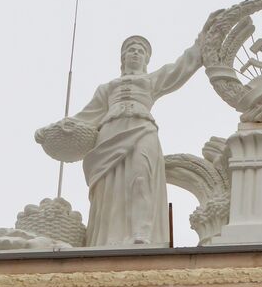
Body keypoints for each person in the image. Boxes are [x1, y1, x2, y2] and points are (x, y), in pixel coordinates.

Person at [36, 32, 202, 247]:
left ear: (146, 60)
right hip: (110, 133)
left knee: (142, 177)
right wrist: (52, 130)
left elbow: (180, 69)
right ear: (123, 58)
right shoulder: (107, 88)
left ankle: (141, 233)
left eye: (140, 51)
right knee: (110, 187)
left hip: (142, 129)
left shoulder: (150, 81)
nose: (135, 53)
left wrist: (200, 46)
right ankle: (107, 239)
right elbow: (84, 118)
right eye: (131, 50)